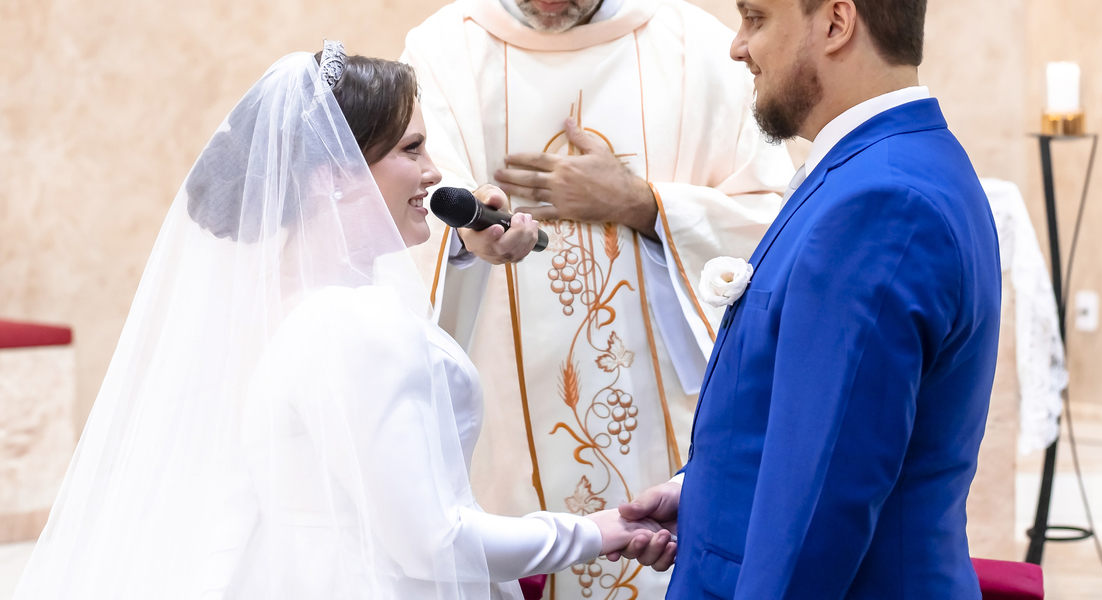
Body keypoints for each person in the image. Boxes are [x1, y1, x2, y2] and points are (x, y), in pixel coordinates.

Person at [13, 42, 663, 600]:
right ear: (335, 176)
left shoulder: (287, 297)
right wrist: (602, 531)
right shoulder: (356, 327)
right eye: (412, 148)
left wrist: (470, 252)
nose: (436, 173)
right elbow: (433, 542)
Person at [401, 0, 793, 600]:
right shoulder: (443, 51)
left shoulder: (701, 54)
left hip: (658, 433)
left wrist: (643, 205)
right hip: (502, 427)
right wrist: (467, 238)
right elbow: (407, 216)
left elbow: (776, 221)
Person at [618, 0, 1003, 598]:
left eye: (756, 18)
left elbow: (824, 494)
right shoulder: (885, 166)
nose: (737, 46)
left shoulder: (881, 205)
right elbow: (808, 419)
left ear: (835, 23)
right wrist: (704, 493)